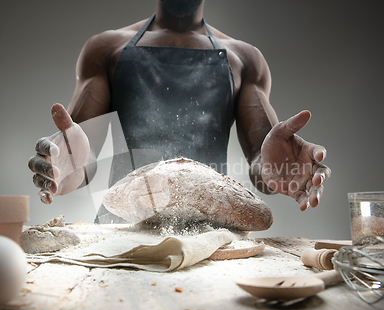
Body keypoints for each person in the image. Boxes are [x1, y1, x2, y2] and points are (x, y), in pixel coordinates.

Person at [28, 0, 331, 219]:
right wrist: (67, 166)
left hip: (212, 233)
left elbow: (261, 157)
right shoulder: (106, 49)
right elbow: (80, 152)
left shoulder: (245, 59)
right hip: (121, 231)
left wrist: (274, 169)